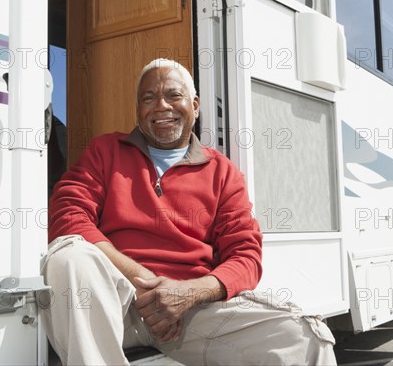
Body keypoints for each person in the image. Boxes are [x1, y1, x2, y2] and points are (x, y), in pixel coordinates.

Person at [42, 58, 337, 365]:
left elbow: (246, 257)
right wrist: (145, 279)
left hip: (189, 314)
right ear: (137, 110)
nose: (160, 106)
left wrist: (189, 294)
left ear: (195, 106)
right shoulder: (105, 151)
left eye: (173, 95)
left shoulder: (223, 172)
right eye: (148, 98)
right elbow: (67, 217)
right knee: (68, 256)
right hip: (114, 304)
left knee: (307, 338)